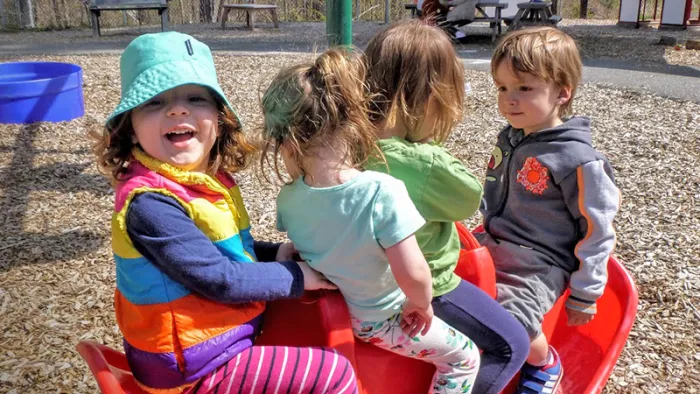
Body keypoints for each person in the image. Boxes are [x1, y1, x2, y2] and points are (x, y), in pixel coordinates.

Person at [90, 31, 357, 394]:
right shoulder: (149, 204)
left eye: (195, 97)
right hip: (194, 368)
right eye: (154, 102)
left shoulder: (202, 182)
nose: (177, 109)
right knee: (333, 372)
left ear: (218, 120)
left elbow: (220, 251)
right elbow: (220, 278)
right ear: (131, 130)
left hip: (216, 343)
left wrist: (274, 253)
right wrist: (297, 276)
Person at [260, 47, 481, 394]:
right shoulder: (381, 192)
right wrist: (419, 304)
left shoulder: (288, 199)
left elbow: (313, 240)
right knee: (464, 358)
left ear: (288, 144)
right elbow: (415, 272)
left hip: (333, 313)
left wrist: (287, 249)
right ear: (354, 122)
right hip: (380, 320)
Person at [363, 20, 530, 394]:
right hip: (423, 286)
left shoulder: (344, 146)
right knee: (512, 345)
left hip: (358, 283)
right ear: (431, 98)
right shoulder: (423, 164)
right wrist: (428, 149)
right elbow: (469, 199)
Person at [478, 26, 621, 394]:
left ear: (562, 92)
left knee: (513, 320)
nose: (509, 99)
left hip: (541, 262)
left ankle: (544, 363)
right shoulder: (511, 137)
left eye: (524, 88)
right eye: (503, 88)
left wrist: (585, 292)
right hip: (493, 240)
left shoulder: (577, 159)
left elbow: (597, 229)